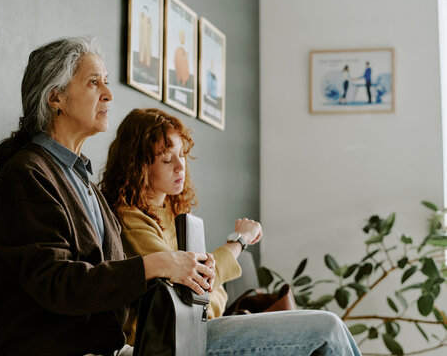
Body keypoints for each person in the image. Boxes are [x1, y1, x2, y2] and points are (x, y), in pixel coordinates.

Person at [0, 37, 215, 356]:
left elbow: (109, 283)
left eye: (105, 81)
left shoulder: (81, 180)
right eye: (94, 82)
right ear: (55, 97)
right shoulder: (28, 174)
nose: (108, 94)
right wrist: (156, 263)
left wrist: (183, 269)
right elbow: (59, 285)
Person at [100, 108, 362, 356]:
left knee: (328, 328)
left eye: (182, 154)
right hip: (168, 340)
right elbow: (194, 290)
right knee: (326, 327)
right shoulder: (130, 220)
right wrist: (238, 242)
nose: (181, 166)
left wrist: (211, 291)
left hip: (194, 328)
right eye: (167, 159)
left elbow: (203, 291)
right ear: (139, 167)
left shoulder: (169, 210)